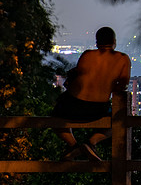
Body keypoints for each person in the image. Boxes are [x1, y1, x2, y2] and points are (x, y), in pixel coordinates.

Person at [52, 26, 131, 161]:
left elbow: (77, 76)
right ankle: (91, 142)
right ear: (114, 41)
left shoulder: (87, 55)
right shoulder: (123, 59)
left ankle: (73, 145)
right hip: (98, 108)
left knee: (54, 117)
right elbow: (122, 85)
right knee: (118, 120)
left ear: (97, 42)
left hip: (72, 105)